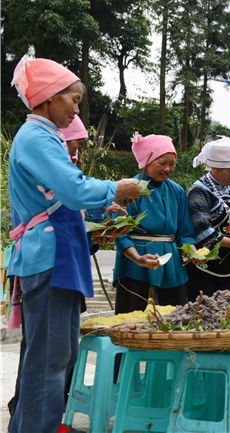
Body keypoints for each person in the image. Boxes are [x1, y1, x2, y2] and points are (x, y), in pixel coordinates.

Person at [7, 55, 142, 433]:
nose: (76, 109)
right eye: (73, 100)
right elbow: (72, 189)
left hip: (59, 258)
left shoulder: (42, 137)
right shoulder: (36, 136)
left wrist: (104, 202)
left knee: (60, 358)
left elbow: (66, 195)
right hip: (49, 258)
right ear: (49, 98)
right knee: (49, 362)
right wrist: (115, 187)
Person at [114, 133, 204, 313]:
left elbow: (185, 233)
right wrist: (136, 258)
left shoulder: (177, 191)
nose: (168, 169)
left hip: (171, 263)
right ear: (146, 161)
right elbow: (120, 231)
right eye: (162, 163)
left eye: (172, 164)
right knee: (130, 316)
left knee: (173, 316)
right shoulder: (130, 188)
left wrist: (191, 251)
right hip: (135, 261)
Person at [186, 137, 230, 301]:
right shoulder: (199, 190)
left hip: (228, 266)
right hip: (204, 266)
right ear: (216, 167)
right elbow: (202, 230)